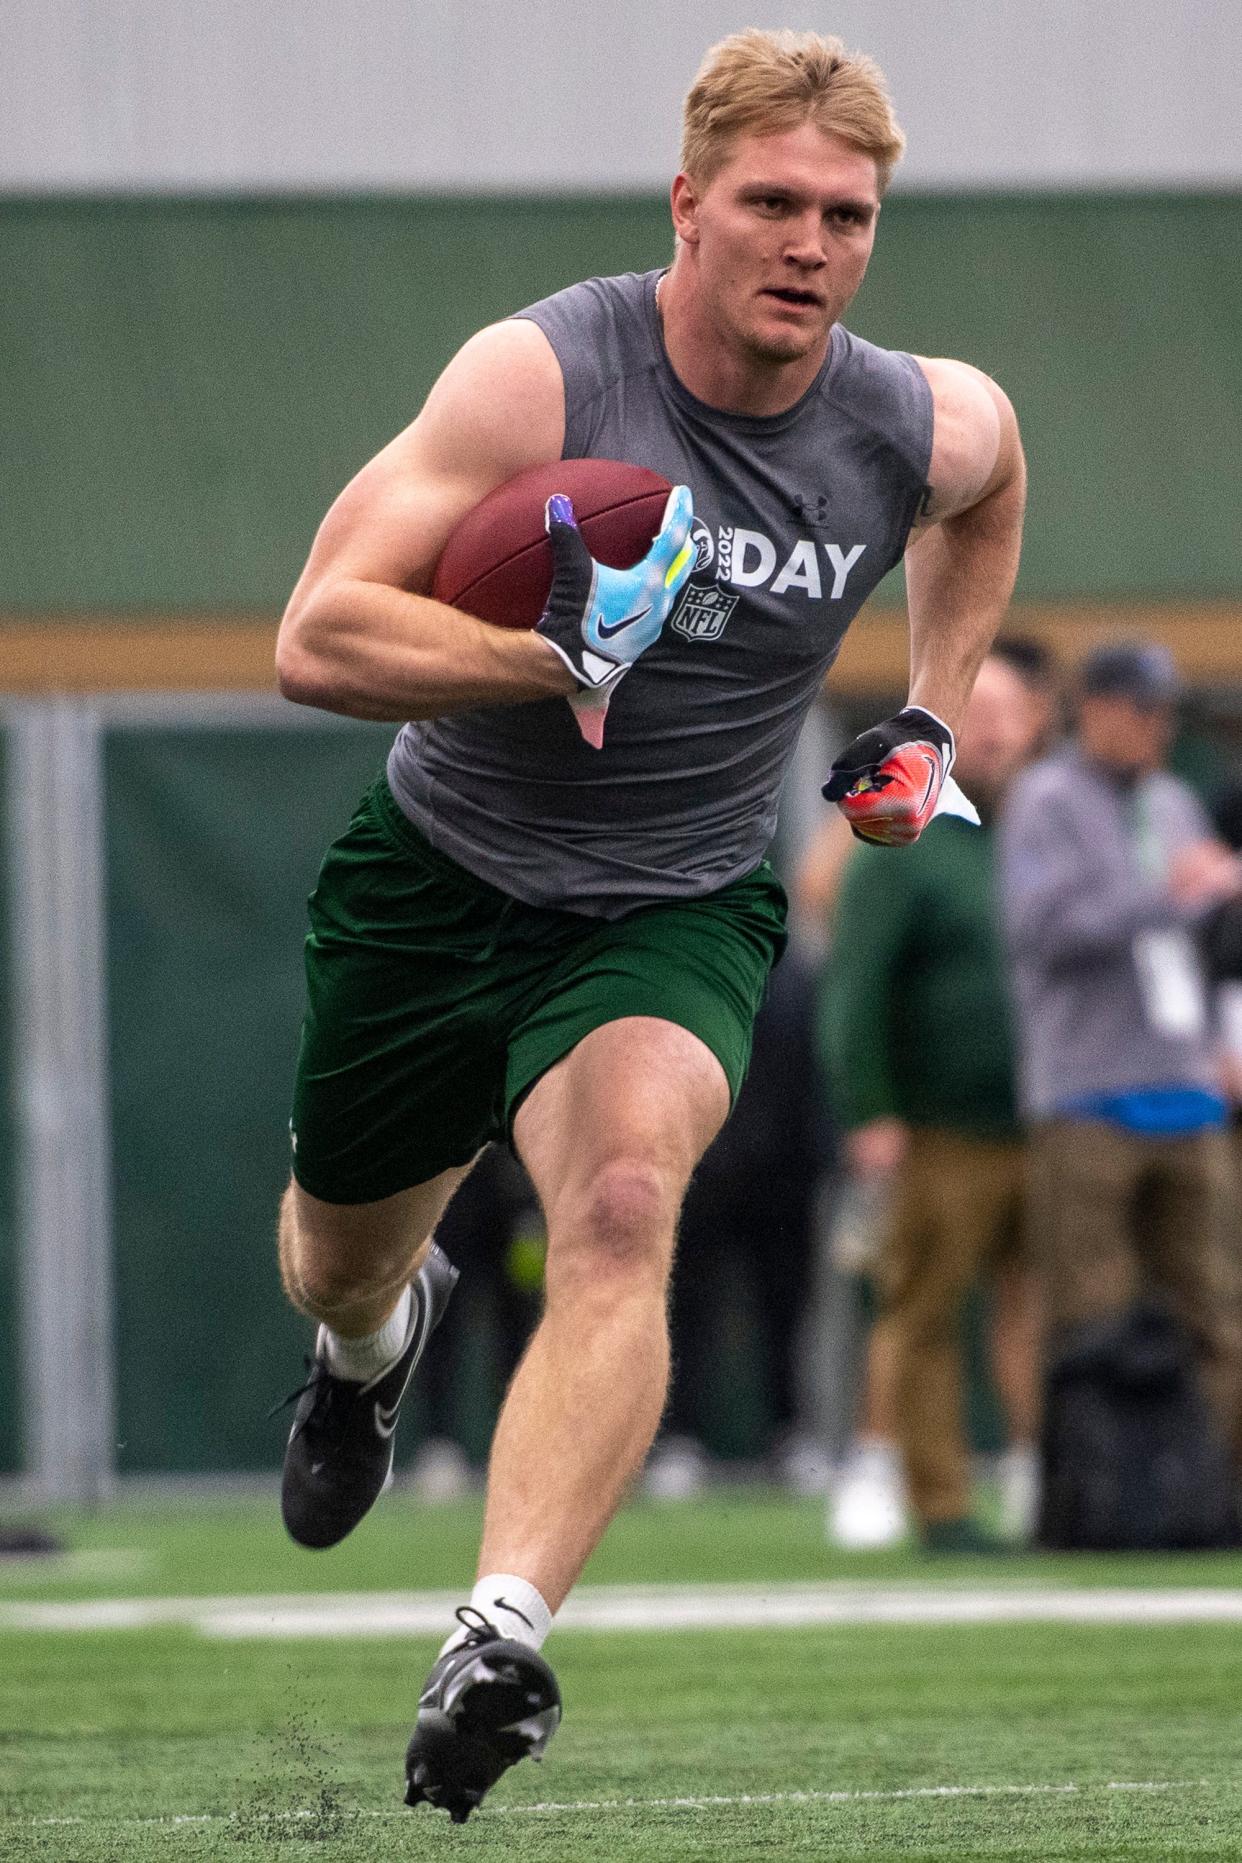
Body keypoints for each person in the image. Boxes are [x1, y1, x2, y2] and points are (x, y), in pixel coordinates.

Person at [272, 27, 1026, 1822]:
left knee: (621, 1205)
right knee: (333, 1256)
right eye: (770, 201)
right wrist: (540, 657)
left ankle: (500, 1628)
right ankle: (370, 1350)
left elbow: (987, 490)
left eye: (845, 215)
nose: (810, 243)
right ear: (688, 206)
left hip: (673, 903)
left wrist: (928, 705)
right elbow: (318, 633)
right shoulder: (542, 377)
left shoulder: (911, 416)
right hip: (438, 880)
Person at [817, 644, 1053, 1552]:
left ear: (1038, 722)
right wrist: (870, 1107)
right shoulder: (904, 832)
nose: (994, 729)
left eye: (1009, 712)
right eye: (976, 712)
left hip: (1044, 1116)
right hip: (938, 1125)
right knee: (920, 1307)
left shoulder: (1050, 825)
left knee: (1033, 1307)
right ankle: (936, 1498)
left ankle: (1040, 1479)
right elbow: (856, 986)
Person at [999, 640, 1242, 1471]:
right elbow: (1040, 930)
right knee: (1092, 1310)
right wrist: (1162, 897)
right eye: (1144, 710)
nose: (1158, 728)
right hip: (1089, 1092)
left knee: (1212, 1306)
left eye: (1166, 712)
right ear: (1096, 708)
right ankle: (1097, 1489)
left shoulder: (1174, 801)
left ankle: (1212, 1489)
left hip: (1188, 1084)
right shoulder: (1046, 799)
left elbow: (1203, 943)